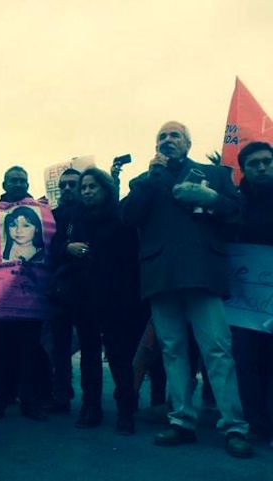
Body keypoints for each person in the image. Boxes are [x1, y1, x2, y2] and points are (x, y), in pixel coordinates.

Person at [120, 121, 252, 457]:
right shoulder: (145, 179)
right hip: (161, 276)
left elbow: (237, 213)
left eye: (174, 135)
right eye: (161, 136)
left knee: (218, 351)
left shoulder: (216, 175)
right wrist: (149, 180)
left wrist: (213, 199)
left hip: (202, 273)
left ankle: (234, 426)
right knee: (172, 352)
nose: (167, 140)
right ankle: (181, 421)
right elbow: (127, 217)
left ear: (188, 144)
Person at [52, 167, 146, 434]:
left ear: (106, 189)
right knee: (89, 355)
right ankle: (91, 407)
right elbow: (54, 246)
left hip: (116, 299)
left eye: (92, 187)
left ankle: (126, 409)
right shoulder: (74, 218)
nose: (86, 192)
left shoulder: (121, 218)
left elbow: (131, 263)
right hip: (83, 298)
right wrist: (67, 248)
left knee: (119, 355)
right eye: (84, 188)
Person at [0, 166, 51, 421]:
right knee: (1, 352)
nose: (18, 183)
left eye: (22, 180)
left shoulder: (42, 210)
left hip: (31, 298)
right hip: (2, 297)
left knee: (29, 353)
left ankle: (30, 401)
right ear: (4, 183)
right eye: (13, 180)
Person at [231, 141, 273, 444]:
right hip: (243, 301)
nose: (262, 167)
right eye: (254, 163)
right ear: (243, 169)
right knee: (246, 360)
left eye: (267, 161)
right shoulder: (234, 203)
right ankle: (256, 423)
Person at [47, 168, 82, 413]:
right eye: (64, 185)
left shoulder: (92, 213)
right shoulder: (51, 215)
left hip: (89, 287)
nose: (68, 189)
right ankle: (61, 393)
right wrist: (66, 248)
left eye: (73, 184)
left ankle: (91, 400)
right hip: (60, 288)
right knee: (58, 344)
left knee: (90, 345)